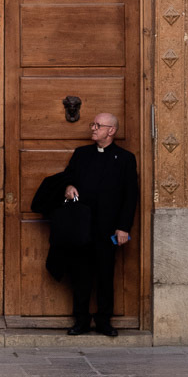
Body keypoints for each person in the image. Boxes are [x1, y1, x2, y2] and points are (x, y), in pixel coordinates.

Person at [62, 111, 138, 337]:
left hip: (108, 229)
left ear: (111, 131)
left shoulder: (125, 158)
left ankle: (104, 321)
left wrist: (124, 227)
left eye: (98, 125)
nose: (93, 128)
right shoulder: (81, 154)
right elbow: (67, 178)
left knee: (105, 276)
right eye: (92, 124)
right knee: (80, 276)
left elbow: (130, 196)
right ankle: (81, 321)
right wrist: (67, 188)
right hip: (82, 227)